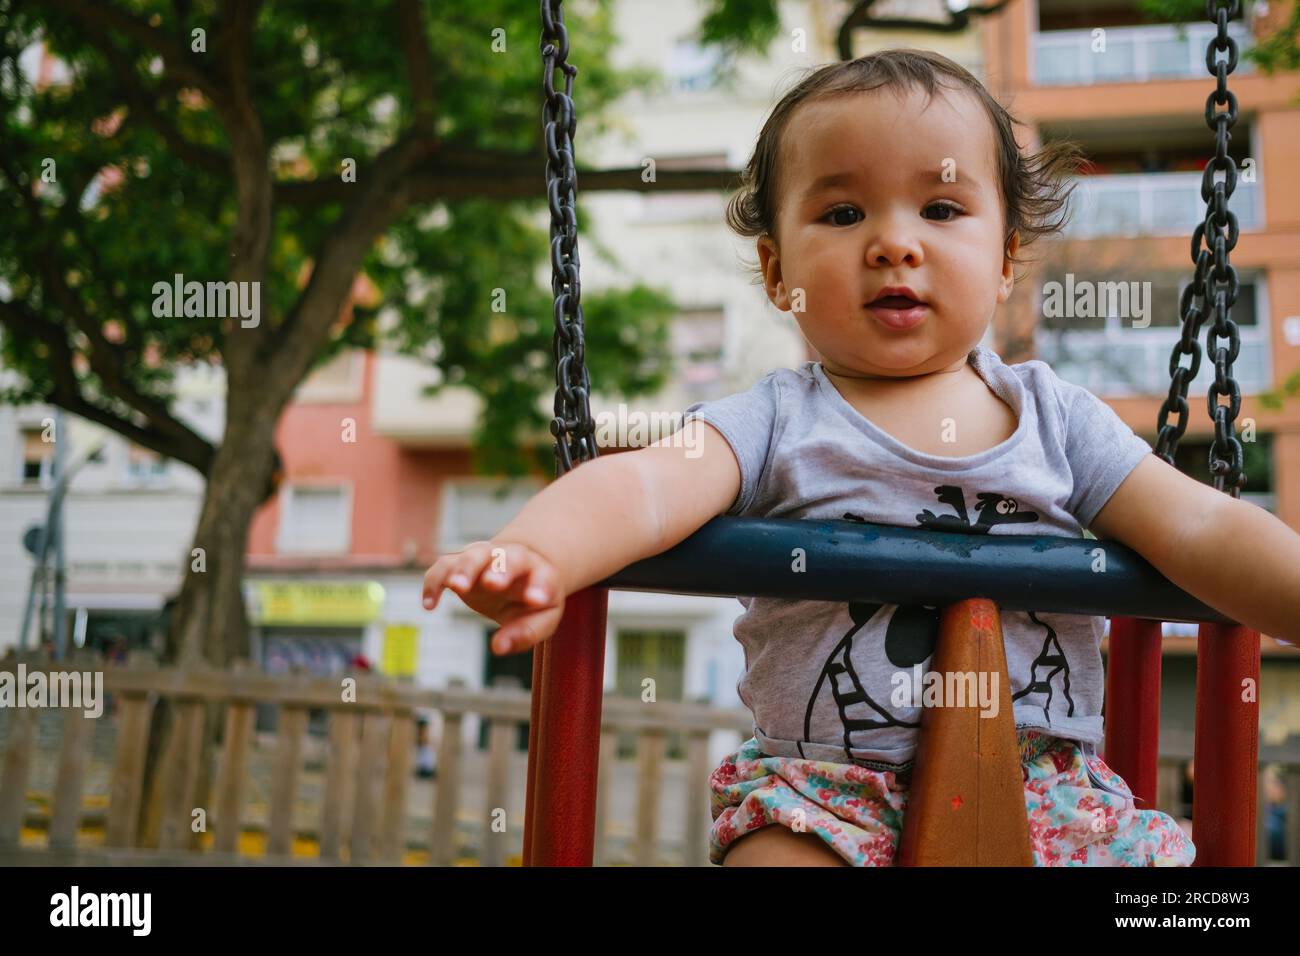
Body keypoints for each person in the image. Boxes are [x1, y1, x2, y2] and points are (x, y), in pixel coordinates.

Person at [421, 49, 1300, 867]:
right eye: (842, 214)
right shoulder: (773, 420)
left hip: (1050, 790)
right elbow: (646, 484)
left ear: (1004, 259)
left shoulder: (1059, 421)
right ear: (776, 271)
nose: (894, 242)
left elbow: (1202, 524)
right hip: (822, 789)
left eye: (943, 208)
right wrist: (540, 551)